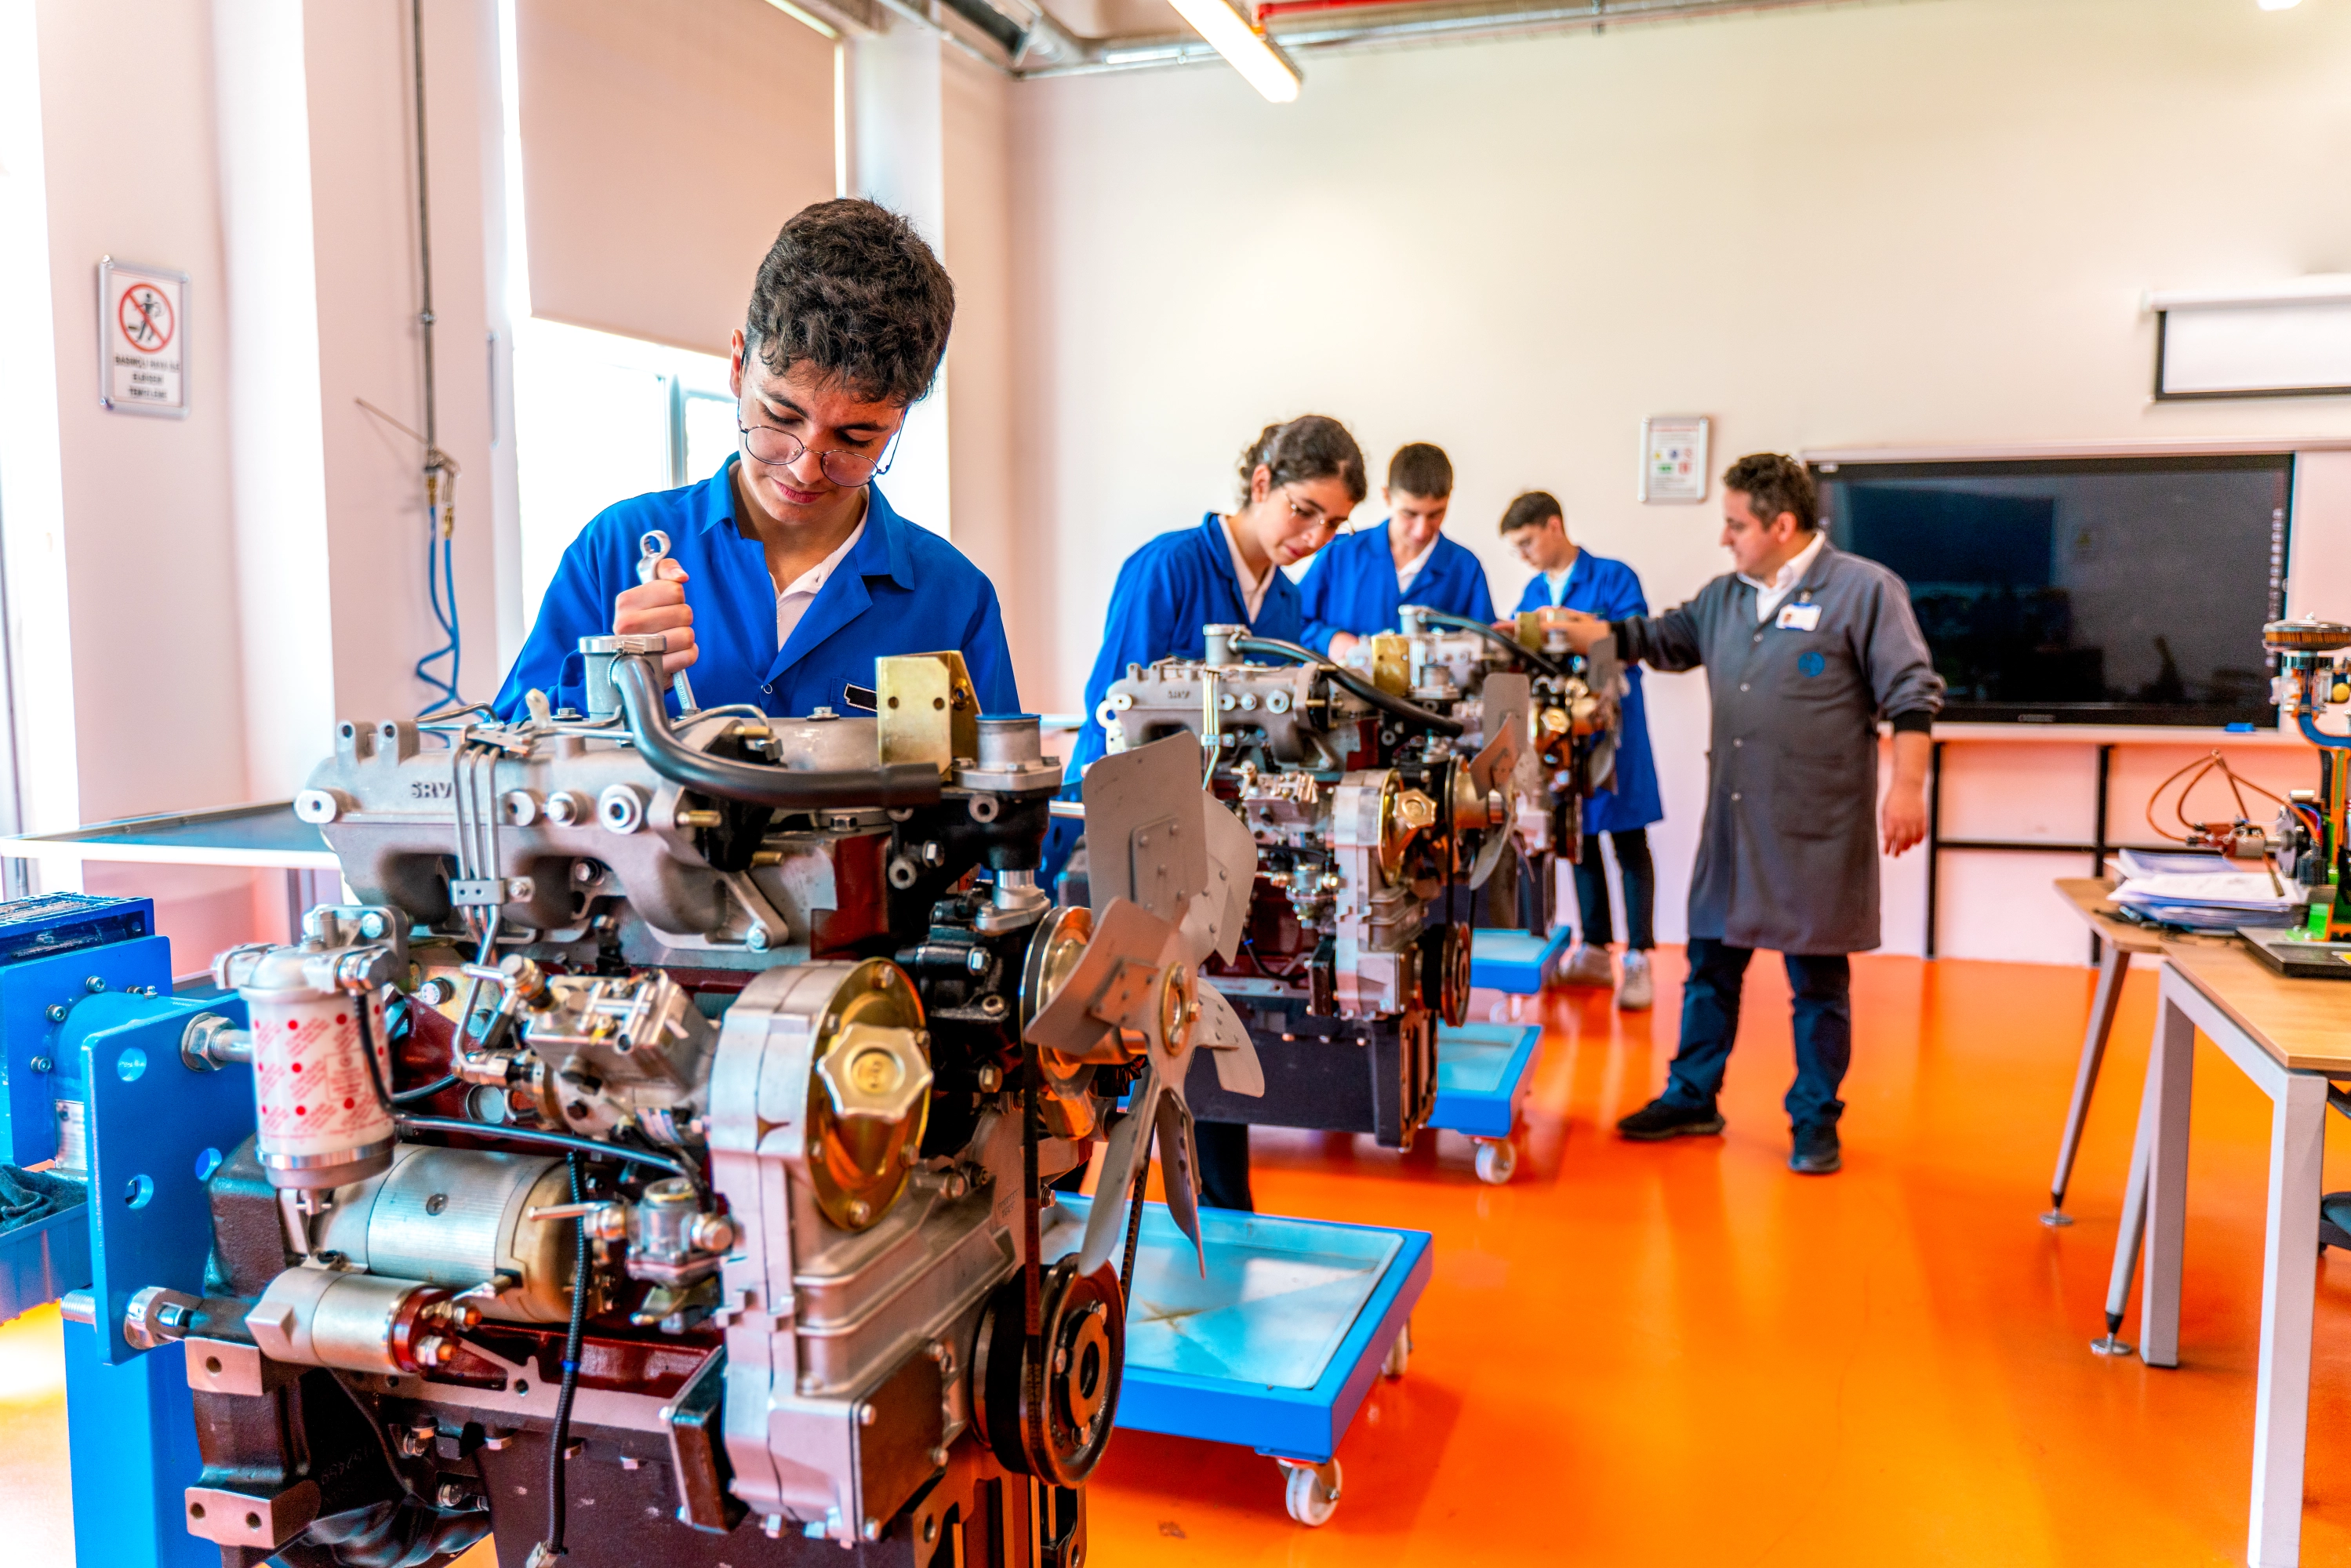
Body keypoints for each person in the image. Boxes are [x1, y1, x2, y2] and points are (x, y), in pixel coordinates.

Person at [1554, 454, 1941, 1175]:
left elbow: (1912, 694)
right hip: (1733, 830)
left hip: (1817, 831)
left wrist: (1908, 787)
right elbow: (1660, 640)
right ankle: (1692, 1095)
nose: (1725, 538)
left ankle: (1815, 1118)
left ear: (1782, 525)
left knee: (1818, 988)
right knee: (1708, 969)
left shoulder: (1863, 591)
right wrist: (1586, 633)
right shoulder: (1725, 598)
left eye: (1736, 524)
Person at [492, 199, 1017, 722]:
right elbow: (505, 771)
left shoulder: (953, 601)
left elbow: (990, 798)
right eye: (781, 418)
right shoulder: (613, 552)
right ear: (739, 366)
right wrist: (609, 685)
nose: (804, 469)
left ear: (898, 417)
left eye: (855, 437)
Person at [1063, 415, 1369, 1212]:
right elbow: (1113, 713)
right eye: (1305, 510)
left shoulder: (1285, 604)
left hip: (1212, 856)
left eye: (1333, 524)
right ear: (1261, 482)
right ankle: (1049, 1222)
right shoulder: (1167, 568)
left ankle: (1223, 1227)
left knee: (1197, 1040)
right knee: (1079, 1077)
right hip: (1119, 849)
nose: (1315, 536)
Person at [1498, 492, 1663, 1011]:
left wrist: (1564, 629)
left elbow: (1627, 644)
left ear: (1554, 526)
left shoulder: (1613, 577)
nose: (1525, 555)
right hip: (1560, 737)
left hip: (1613, 733)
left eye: (1527, 542)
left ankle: (1638, 957)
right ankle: (1594, 950)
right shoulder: (1531, 588)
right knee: (1579, 840)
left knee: (1628, 843)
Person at [1295, 443, 1495, 658]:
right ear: (1387, 496)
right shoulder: (1339, 554)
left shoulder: (1466, 569)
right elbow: (1292, 622)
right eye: (1410, 514)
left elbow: (1487, 650)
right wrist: (1330, 640)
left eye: (1435, 514)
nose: (1421, 531)